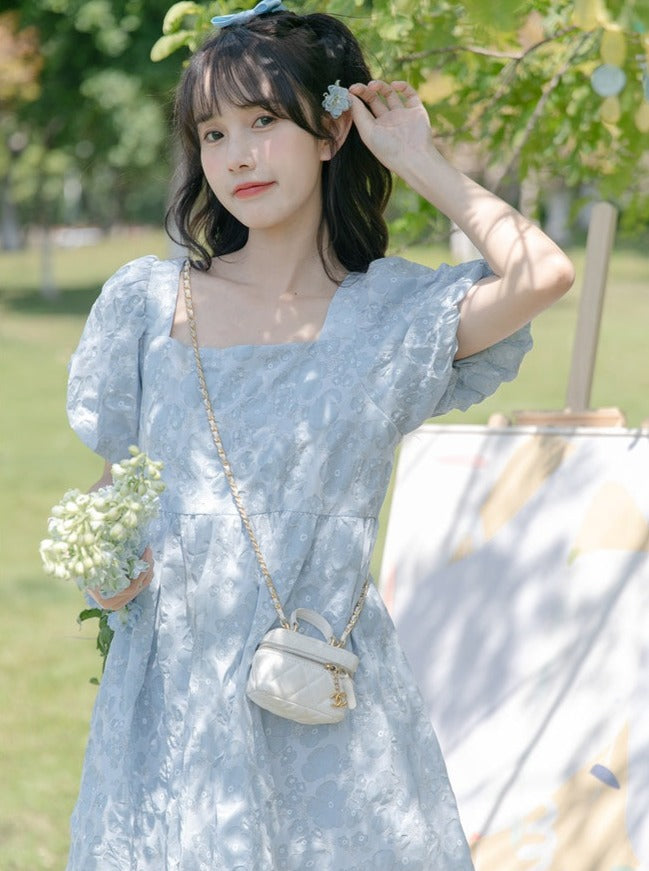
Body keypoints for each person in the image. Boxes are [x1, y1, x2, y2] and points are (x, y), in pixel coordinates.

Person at [64, 4, 574, 869]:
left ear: (331, 131)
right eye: (213, 133)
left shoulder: (390, 318)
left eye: (263, 122)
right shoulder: (148, 304)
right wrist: (106, 569)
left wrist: (415, 157)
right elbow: (119, 491)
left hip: (320, 700)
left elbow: (543, 272)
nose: (236, 155)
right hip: (174, 710)